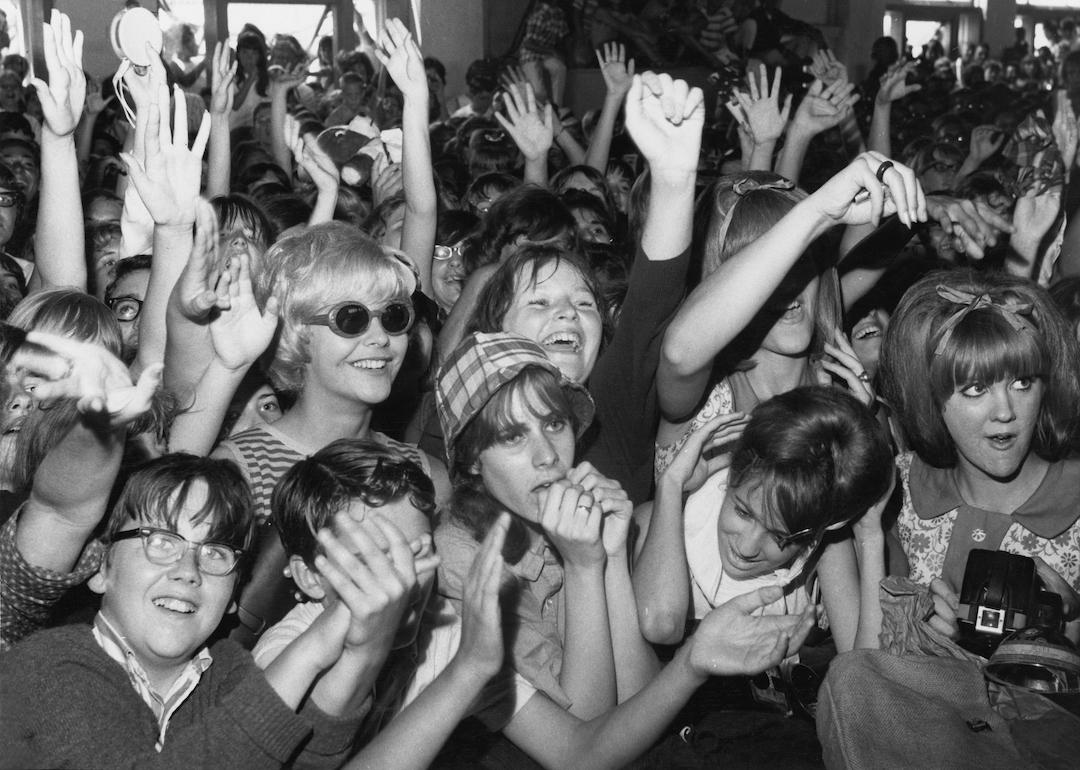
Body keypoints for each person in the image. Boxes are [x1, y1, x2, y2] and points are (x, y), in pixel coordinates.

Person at [431, 330, 816, 767]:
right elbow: (588, 732)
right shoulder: (460, 559)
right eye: (512, 436)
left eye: (554, 424)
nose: (547, 456)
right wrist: (584, 567)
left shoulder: (562, 515)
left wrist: (611, 555)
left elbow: (637, 700)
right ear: (471, 460)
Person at [0, 454, 371, 768]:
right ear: (101, 568)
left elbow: (306, 759)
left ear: (232, 597)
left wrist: (363, 640)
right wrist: (312, 646)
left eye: (215, 553)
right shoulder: (48, 665)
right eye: (161, 541)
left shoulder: (230, 673)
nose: (188, 571)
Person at [253, 438, 509, 767]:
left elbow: (576, 751)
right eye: (373, 561)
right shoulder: (282, 656)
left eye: (417, 553)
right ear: (311, 578)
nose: (404, 581)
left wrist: (588, 565)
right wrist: (466, 673)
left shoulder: (442, 627)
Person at [875, 270, 1080, 645]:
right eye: (975, 388)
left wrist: (1070, 632)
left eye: (1022, 382)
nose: (1005, 411)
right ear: (930, 399)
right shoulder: (899, 491)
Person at [633, 385, 893, 653]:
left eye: (780, 537)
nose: (746, 548)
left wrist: (870, 535)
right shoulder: (659, 521)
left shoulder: (825, 549)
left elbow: (864, 671)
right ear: (731, 475)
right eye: (743, 512)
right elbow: (661, 624)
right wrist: (671, 484)